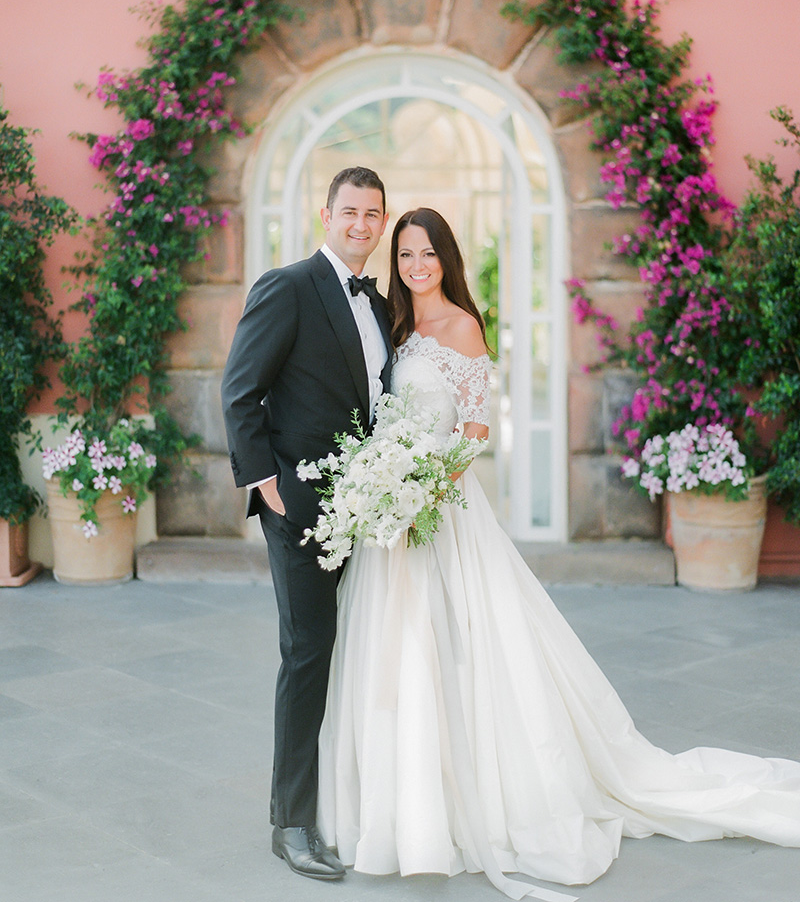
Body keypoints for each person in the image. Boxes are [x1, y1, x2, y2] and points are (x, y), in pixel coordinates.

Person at [316, 207, 800, 902]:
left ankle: (466, 800)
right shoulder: (394, 328)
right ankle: (396, 805)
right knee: (391, 653)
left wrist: (426, 485)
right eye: (406, 255)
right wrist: (384, 486)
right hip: (392, 518)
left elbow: (477, 430)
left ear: (446, 259)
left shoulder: (462, 328)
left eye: (427, 254)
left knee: (460, 649)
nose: (416, 266)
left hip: (441, 509)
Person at [220, 166, 391, 881]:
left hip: (369, 511)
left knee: (354, 654)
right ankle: (290, 822)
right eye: (349, 211)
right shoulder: (287, 286)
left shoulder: (379, 305)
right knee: (308, 655)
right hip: (303, 512)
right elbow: (240, 391)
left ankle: (346, 802)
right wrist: (270, 488)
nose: (361, 224)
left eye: (372, 213)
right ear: (325, 214)